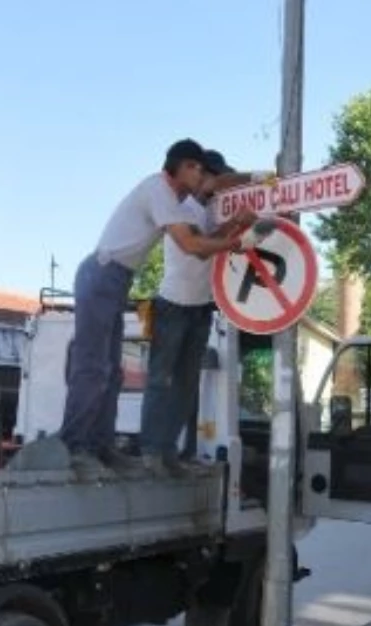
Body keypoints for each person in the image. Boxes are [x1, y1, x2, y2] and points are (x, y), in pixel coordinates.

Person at [59, 139, 254, 477]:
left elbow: (210, 211)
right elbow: (193, 245)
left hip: (116, 280)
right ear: (179, 168)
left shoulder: (176, 200)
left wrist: (253, 189)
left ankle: (100, 447)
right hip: (102, 274)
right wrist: (237, 239)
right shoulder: (159, 190)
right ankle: (75, 448)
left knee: (111, 371)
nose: (200, 177)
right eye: (194, 168)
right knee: (93, 368)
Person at [141, 151, 271, 475]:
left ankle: (171, 453)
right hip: (172, 305)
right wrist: (238, 221)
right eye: (214, 180)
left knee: (186, 384)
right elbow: (200, 249)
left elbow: (215, 239)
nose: (218, 187)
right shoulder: (180, 207)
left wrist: (257, 184)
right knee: (161, 380)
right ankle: (151, 453)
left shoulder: (209, 209)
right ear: (204, 177)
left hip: (200, 309)